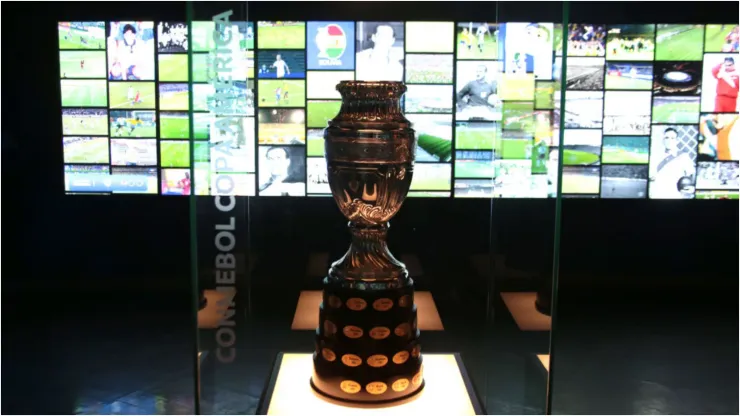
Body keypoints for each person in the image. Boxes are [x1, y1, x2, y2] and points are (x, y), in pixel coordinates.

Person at [649, 127, 696, 199]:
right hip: (657, 195)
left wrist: (692, 187)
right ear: (663, 140)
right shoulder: (656, 156)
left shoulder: (683, 156)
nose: (669, 140)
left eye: (672, 138)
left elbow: (692, 174)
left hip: (674, 196)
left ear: (677, 141)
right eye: (666, 138)